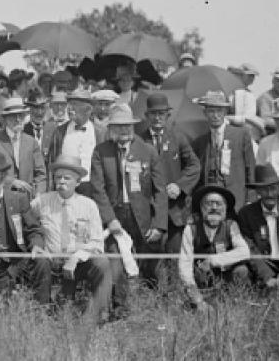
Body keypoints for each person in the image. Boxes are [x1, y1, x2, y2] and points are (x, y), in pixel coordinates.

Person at [89, 104, 167, 308]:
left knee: (148, 264)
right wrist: (110, 219)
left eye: (127, 126)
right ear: (111, 129)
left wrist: (159, 224)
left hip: (143, 217)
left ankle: (151, 308)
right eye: (118, 126)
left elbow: (160, 190)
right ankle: (121, 310)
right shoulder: (101, 151)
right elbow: (98, 189)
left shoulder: (148, 151)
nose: (124, 130)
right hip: (115, 217)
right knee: (116, 262)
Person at [29, 153, 114, 324]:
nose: (61, 182)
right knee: (40, 261)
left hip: (79, 262)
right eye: (58, 177)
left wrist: (76, 258)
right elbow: (28, 224)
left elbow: (97, 242)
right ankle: (41, 313)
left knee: (102, 262)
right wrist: (37, 244)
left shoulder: (88, 205)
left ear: (78, 182)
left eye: (67, 178)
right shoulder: (42, 202)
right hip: (52, 259)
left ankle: (99, 314)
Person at [0, 150, 48, 303]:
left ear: (3, 178)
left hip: (16, 266)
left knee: (42, 262)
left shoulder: (19, 200)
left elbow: (34, 230)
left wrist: (37, 245)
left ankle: (42, 313)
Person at [136, 93, 201, 261]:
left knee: (175, 256)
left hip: (174, 209)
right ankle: (152, 287)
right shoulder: (139, 141)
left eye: (161, 114)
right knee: (151, 258)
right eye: (153, 114)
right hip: (150, 209)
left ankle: (175, 287)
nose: (157, 118)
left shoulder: (177, 138)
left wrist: (180, 186)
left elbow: (194, 166)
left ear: (168, 115)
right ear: (147, 116)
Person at [178, 184, 251, 312]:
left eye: (219, 204)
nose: (214, 208)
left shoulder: (231, 226)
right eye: (209, 203)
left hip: (226, 281)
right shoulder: (190, 229)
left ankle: (234, 304)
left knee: (242, 271)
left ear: (225, 208)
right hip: (201, 283)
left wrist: (213, 260)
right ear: (201, 208)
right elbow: (184, 265)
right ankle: (201, 303)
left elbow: (244, 252)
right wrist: (197, 299)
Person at [235, 165, 279, 288]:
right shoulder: (246, 214)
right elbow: (249, 248)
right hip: (264, 264)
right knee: (241, 272)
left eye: (273, 188)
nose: (269, 194)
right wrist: (267, 275)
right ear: (257, 191)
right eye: (264, 190)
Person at [192, 91, 255, 212]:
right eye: (211, 111)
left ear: (225, 112)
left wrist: (250, 200)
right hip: (211, 204)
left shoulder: (241, 135)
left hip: (237, 201)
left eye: (219, 111)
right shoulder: (199, 142)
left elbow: (250, 170)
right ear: (204, 113)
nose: (215, 115)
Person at [0, 98, 47, 195]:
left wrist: (38, 195)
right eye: (13, 116)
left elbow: (41, 175)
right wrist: (12, 182)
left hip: (28, 199)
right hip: (3, 199)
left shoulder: (31, 142)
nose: (17, 119)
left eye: (20, 115)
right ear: (4, 119)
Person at [52, 89, 107, 190]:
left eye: (75, 104)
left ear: (88, 110)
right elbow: (52, 162)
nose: (70, 108)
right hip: (65, 188)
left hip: (92, 188)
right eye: (69, 104)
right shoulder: (59, 131)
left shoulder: (100, 132)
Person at [228, 63, 265, 142]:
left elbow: (249, 116)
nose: (252, 78)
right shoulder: (235, 92)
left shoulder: (249, 94)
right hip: (237, 131)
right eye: (249, 75)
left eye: (253, 76)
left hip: (249, 131)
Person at [257, 68, 279, 132]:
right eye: (278, 81)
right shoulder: (265, 97)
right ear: (273, 81)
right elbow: (266, 120)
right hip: (268, 132)